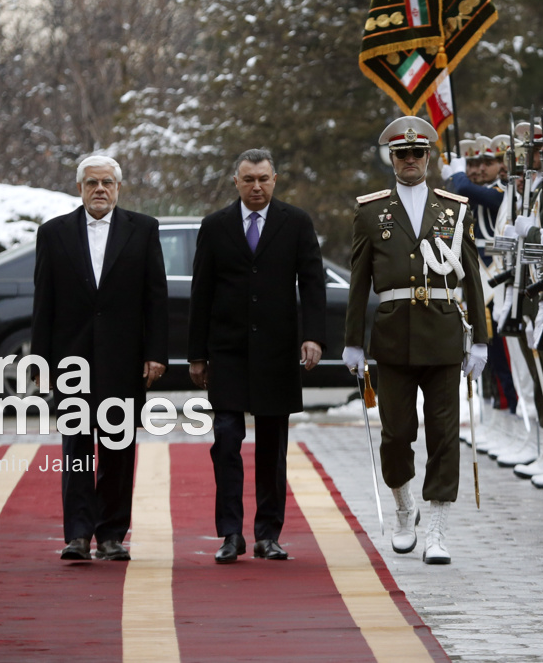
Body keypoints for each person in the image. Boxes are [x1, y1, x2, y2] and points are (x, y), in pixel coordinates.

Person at [343, 115, 489, 565]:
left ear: (429, 157)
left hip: (443, 333)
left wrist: (480, 340)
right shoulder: (371, 211)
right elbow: (358, 280)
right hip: (393, 336)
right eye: (402, 154)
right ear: (392, 158)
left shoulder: (452, 207)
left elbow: (472, 279)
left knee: (445, 435)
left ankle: (439, 530)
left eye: (418, 153)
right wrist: (353, 341)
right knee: (397, 434)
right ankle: (405, 508)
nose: (410, 160)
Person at [188, 149, 327, 563]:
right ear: (236, 182)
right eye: (248, 179)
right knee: (226, 440)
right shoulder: (215, 226)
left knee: (272, 446)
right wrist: (197, 354)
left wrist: (314, 337)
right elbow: (202, 291)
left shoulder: (296, 222)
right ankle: (231, 533)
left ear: (275, 179)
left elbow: (313, 283)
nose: (256, 186)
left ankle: (268, 534)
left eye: (263, 178)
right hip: (227, 352)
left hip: (276, 352)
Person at [32, 154, 168, 561]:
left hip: (123, 360)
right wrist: (40, 361)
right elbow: (44, 303)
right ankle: (77, 534)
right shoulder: (54, 234)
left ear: (119, 188)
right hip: (72, 361)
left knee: (118, 449)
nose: (100, 190)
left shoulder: (143, 230)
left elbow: (154, 298)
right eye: (92, 183)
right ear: (79, 188)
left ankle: (111, 535)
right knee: (76, 449)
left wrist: (155, 353)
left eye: (107, 182)